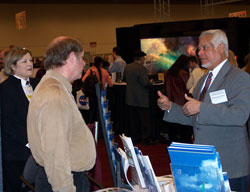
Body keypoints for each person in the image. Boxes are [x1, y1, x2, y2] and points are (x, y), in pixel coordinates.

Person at [157, 29, 250, 191]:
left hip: (230, 165)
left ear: (221, 48)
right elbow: (196, 117)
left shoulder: (239, 78)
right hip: (205, 163)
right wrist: (171, 107)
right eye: (199, 49)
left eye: (205, 48)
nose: (199, 53)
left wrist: (201, 107)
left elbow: (240, 115)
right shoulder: (203, 80)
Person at [27, 36, 96, 192]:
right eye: (82, 58)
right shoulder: (54, 94)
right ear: (71, 57)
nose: (84, 63)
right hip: (64, 181)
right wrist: (65, 188)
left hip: (64, 177)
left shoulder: (54, 87)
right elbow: (55, 153)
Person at [0, 47, 39, 192]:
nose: (30, 64)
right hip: (17, 152)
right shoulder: (5, 89)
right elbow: (8, 123)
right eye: (24, 61)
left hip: (40, 150)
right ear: (12, 66)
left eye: (30, 60)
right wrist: (30, 143)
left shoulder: (38, 84)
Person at [124, 50, 152, 144]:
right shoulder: (142, 68)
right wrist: (150, 83)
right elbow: (144, 82)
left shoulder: (127, 67)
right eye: (144, 57)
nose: (144, 59)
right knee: (144, 120)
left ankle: (135, 137)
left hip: (130, 98)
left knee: (133, 120)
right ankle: (145, 139)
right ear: (141, 58)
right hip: (141, 99)